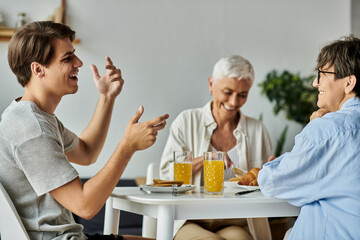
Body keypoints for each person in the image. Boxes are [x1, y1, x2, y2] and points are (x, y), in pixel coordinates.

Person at [0, 21, 169, 240]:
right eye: (67, 58)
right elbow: (85, 206)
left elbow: (87, 152)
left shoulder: (32, 116)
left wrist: (107, 97)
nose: (78, 63)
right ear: (38, 69)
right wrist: (128, 146)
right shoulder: (33, 129)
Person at [160, 55, 273, 240]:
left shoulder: (257, 130)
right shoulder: (186, 121)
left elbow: (266, 182)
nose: (234, 102)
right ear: (211, 84)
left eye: (242, 95)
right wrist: (204, 159)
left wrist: (275, 172)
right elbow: (166, 175)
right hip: (190, 218)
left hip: (235, 219)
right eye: (227, 92)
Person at [258, 35, 360, 239]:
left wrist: (315, 127)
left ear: (349, 83)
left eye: (322, 74)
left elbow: (271, 181)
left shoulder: (326, 130)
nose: (315, 83)